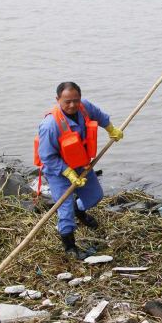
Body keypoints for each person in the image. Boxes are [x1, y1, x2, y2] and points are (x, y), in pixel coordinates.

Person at [35, 82, 124, 258]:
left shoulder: (85, 108)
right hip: (58, 172)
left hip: (81, 164)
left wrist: (111, 129)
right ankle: (69, 247)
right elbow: (46, 157)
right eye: (67, 101)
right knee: (65, 210)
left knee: (95, 196)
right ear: (58, 100)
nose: (72, 105)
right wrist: (67, 172)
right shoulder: (50, 125)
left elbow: (100, 116)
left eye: (76, 100)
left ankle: (79, 209)